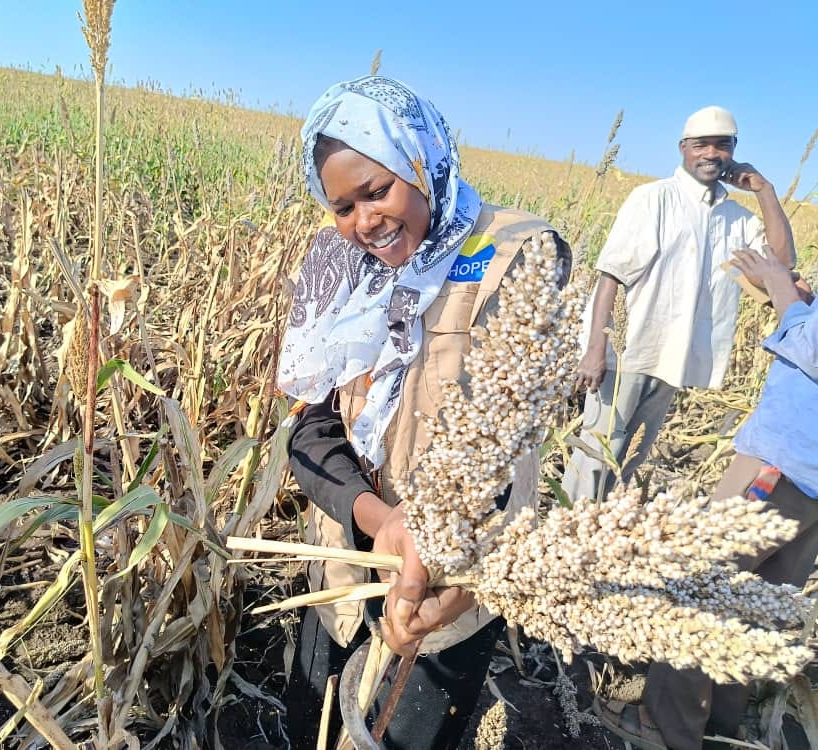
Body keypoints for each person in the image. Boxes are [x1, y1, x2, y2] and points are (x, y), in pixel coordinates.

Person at [278, 75, 570, 749]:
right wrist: (378, 519)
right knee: (311, 724)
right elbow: (310, 425)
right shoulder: (338, 261)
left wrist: (447, 570)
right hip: (347, 565)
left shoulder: (516, 253)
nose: (364, 221)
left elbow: (501, 434)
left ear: (423, 160)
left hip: (449, 577)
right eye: (343, 205)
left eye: (378, 191)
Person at [596, 249, 817, 749]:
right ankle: (719, 719)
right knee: (758, 602)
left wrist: (784, 290)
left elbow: (811, 346)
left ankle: (667, 723)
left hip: (776, 465)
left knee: (703, 583)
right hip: (810, 484)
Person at [563, 105, 795, 503]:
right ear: (683, 148)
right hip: (628, 355)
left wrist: (765, 190)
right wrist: (595, 349)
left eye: (722, 145)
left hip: (677, 359)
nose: (711, 153)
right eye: (700, 144)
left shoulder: (736, 218)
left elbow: (782, 261)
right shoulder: (653, 199)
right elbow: (610, 275)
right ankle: (563, 535)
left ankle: (597, 539)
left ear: (734, 151)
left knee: (631, 456)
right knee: (596, 454)